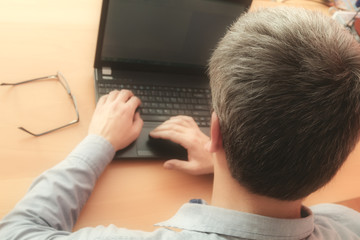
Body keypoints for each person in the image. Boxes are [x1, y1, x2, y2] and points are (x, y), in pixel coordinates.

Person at [1, 6, 360, 240]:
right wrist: (223, 164)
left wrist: (99, 142)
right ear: (341, 151)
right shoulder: (345, 223)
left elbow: (17, 230)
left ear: (213, 132)